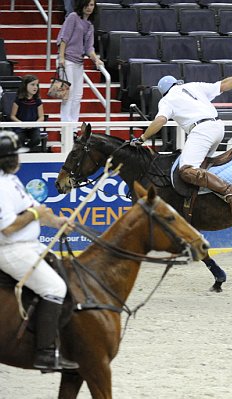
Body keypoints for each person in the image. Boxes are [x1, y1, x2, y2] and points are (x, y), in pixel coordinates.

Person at [133, 66, 232, 215]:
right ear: (177, 83)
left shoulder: (166, 100)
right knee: (200, 166)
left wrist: (142, 138)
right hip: (218, 127)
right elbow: (225, 84)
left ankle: (229, 190)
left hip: (202, 130)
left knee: (187, 170)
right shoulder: (193, 86)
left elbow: (161, 120)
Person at [0, 130, 78, 371]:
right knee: (55, 288)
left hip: (30, 245)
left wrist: (57, 222)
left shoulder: (12, 180)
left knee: (65, 272)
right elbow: (9, 228)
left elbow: (38, 210)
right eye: (16, 156)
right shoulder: (1, 187)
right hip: (10, 249)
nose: (19, 160)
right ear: (10, 159)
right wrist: (34, 215)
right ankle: (45, 353)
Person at [56, 0, 103, 133]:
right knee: (68, 94)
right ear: (81, 5)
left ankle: (74, 126)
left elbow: (89, 48)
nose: (89, 8)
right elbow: (63, 37)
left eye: (92, 5)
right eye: (87, 5)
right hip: (67, 60)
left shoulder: (89, 25)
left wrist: (96, 60)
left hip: (78, 62)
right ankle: (65, 127)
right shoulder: (73, 17)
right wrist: (61, 57)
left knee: (78, 95)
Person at [9, 74, 44, 151]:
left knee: (37, 139)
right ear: (25, 86)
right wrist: (21, 124)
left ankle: (25, 150)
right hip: (20, 127)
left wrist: (35, 124)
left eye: (37, 85)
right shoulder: (18, 100)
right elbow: (12, 116)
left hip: (33, 127)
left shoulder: (37, 100)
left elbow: (41, 116)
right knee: (19, 139)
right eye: (32, 85)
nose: (35, 87)